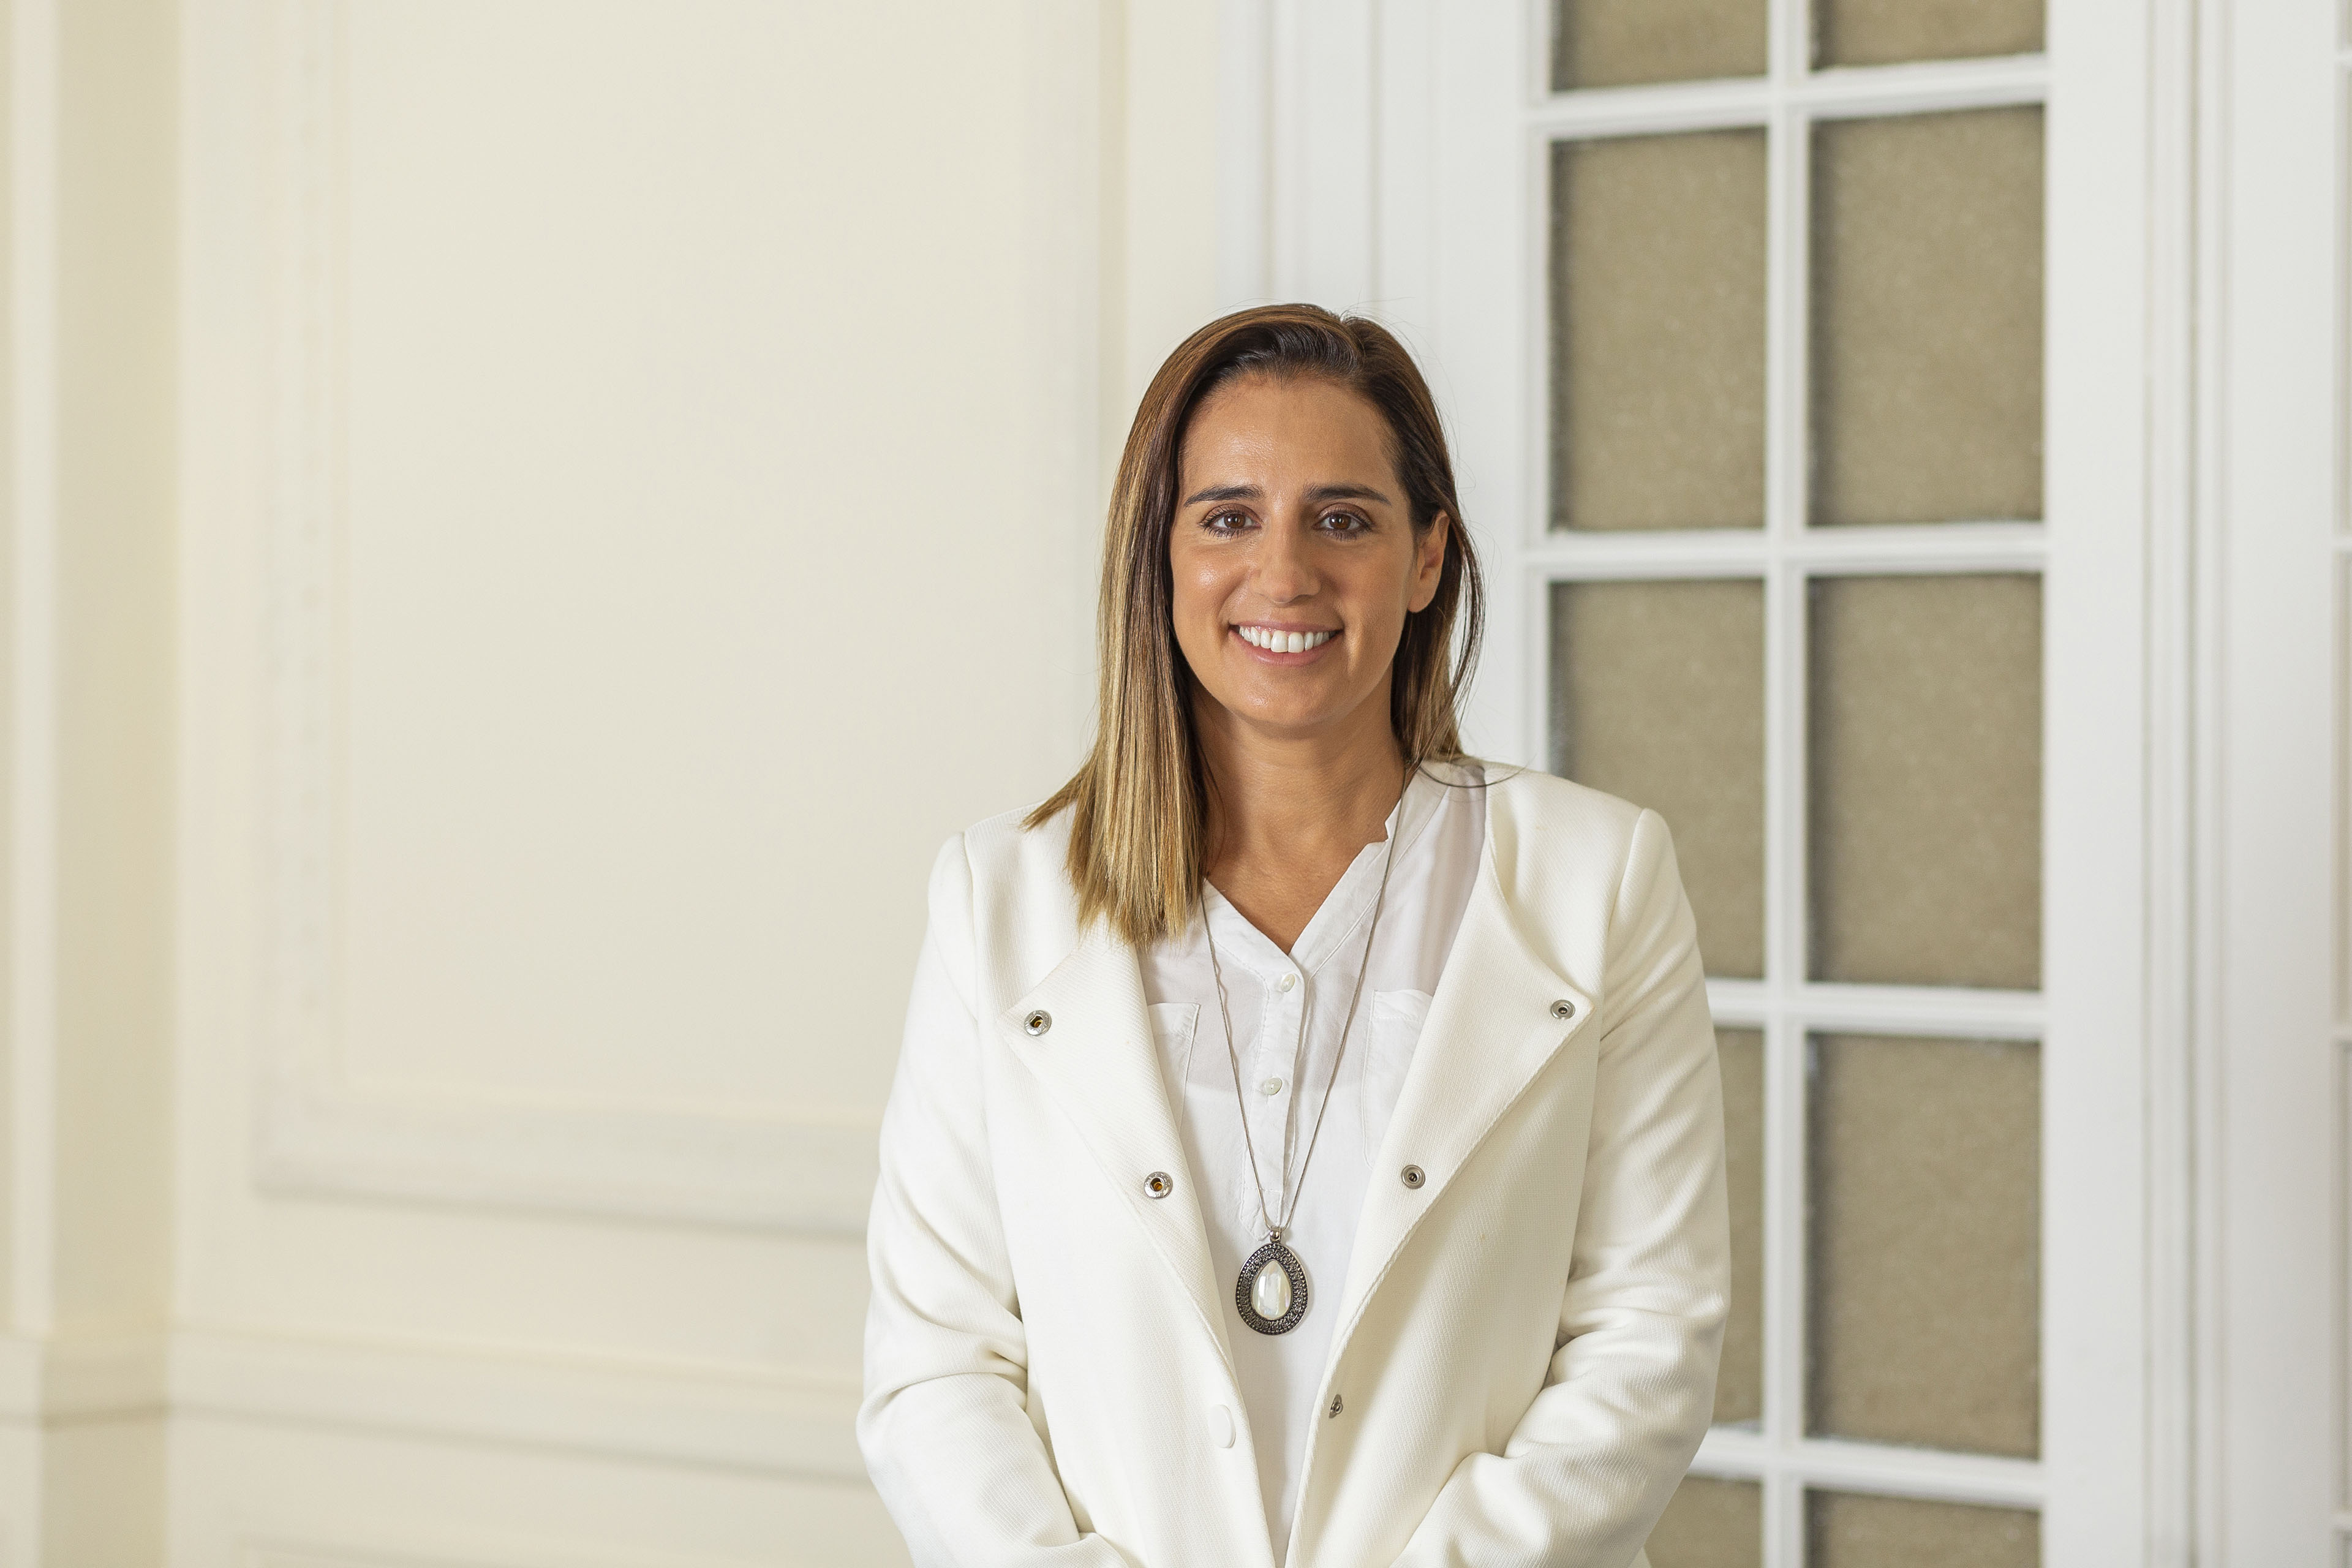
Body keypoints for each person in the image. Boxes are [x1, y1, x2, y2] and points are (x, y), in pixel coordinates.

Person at [859, 304, 1727, 1568]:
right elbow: (936, 1364)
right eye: (1228, 517)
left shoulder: (1598, 878)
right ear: (1158, 558)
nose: (1284, 573)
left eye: (1343, 519)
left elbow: (1647, 1336)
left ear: (1426, 558)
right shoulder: (998, 900)